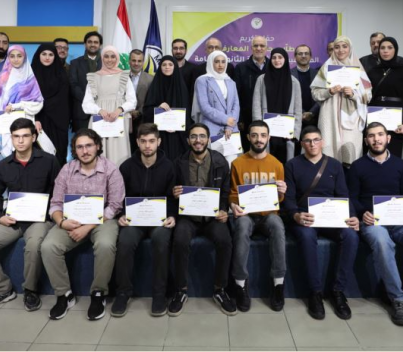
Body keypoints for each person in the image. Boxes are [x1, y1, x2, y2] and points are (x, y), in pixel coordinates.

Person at [348, 122, 403, 327]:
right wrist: (362, 213)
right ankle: (397, 298)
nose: (376, 139)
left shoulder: (399, 164)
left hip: (399, 220)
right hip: (373, 222)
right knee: (381, 241)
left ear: (388, 138)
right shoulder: (357, 166)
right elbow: (352, 198)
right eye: (371, 136)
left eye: (380, 134)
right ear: (366, 140)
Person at [0, 118, 60, 312]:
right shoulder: (4, 165)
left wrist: (51, 214)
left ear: (34, 137)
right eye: (16, 136)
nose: (20, 141)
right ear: (11, 138)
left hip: (40, 219)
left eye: (25, 136)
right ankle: (1, 290)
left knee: (34, 245)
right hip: (13, 219)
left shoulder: (49, 161)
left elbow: (59, 192)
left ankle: (30, 290)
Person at [41, 128, 124, 321]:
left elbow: (115, 205)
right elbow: (55, 203)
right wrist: (62, 222)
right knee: (48, 246)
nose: (85, 151)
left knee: (105, 244)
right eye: (80, 147)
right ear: (75, 150)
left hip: (102, 221)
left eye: (89, 146)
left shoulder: (111, 169)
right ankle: (64, 295)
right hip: (70, 221)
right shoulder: (66, 169)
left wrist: (87, 227)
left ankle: (98, 294)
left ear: (97, 146)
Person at [283, 125, 359, 320]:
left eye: (316, 139)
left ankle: (338, 291)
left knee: (351, 236)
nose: (312, 144)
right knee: (307, 236)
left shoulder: (334, 165)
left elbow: (343, 194)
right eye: (308, 141)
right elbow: (289, 198)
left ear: (322, 142)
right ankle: (315, 292)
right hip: (305, 216)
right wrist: (295, 215)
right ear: (302, 144)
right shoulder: (292, 165)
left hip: (332, 216)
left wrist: (352, 216)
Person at [169, 123, 235, 316]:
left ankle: (220, 289)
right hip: (188, 217)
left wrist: (223, 210)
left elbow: (225, 191)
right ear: (188, 140)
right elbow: (171, 189)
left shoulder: (220, 161)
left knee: (225, 241)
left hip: (212, 217)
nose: (198, 140)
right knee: (180, 240)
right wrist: (174, 193)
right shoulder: (178, 162)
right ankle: (180, 290)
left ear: (208, 139)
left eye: (202, 136)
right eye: (194, 136)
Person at [111, 123, 176, 317]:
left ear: (159, 142)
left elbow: (173, 197)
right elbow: (119, 196)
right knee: (125, 241)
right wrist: (121, 215)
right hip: (134, 220)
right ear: (137, 142)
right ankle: (123, 293)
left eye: (151, 141)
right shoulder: (126, 167)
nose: (148, 145)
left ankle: (159, 294)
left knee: (161, 240)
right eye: (143, 141)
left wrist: (172, 215)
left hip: (159, 221)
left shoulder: (169, 166)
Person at [228, 121, 287, 312]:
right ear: (248, 137)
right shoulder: (238, 163)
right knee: (242, 226)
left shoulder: (277, 164)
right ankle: (240, 284)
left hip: (268, 214)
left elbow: (279, 199)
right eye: (254, 135)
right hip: (246, 213)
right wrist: (233, 205)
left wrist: (282, 192)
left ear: (268, 138)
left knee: (277, 225)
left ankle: (278, 284)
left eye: (262, 135)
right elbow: (232, 193)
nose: (259, 139)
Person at [311, 36, 373, 167]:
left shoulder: (358, 69)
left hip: (352, 118)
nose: (341, 50)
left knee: (350, 155)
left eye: (345, 46)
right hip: (330, 116)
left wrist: (353, 95)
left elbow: (368, 96)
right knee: (329, 154)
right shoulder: (326, 68)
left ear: (350, 49)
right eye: (337, 47)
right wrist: (329, 91)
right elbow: (315, 93)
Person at [0, 45, 44, 166]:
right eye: (12, 56)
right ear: (8, 58)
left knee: (24, 167)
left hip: (23, 130)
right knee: (1, 166)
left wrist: (17, 106)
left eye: (19, 56)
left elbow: (38, 104)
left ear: (24, 57)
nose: (15, 59)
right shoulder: (0, 78)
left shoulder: (30, 79)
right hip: (0, 129)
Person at [82, 45, 136, 166]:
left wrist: (119, 109)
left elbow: (132, 101)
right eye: (106, 56)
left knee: (119, 153)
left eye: (113, 56)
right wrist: (100, 110)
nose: (109, 59)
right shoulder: (93, 77)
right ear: (102, 58)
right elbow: (86, 104)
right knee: (98, 151)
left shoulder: (124, 76)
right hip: (99, 119)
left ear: (117, 58)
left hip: (119, 119)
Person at [366, 37, 403, 157]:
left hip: (397, 121)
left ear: (396, 50)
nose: (385, 51)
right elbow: (367, 97)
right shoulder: (372, 71)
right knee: (375, 154)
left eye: (390, 47)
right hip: (375, 117)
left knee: (393, 156)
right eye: (382, 48)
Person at [252, 48, 302, 163]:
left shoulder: (294, 82)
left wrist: (295, 133)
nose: (277, 60)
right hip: (266, 131)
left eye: (280, 57)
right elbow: (256, 106)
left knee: (286, 164)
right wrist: (258, 129)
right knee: (266, 163)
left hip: (287, 135)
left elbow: (298, 110)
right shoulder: (261, 79)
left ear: (286, 59)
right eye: (274, 57)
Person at [192, 50, 240, 163]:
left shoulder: (231, 82)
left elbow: (236, 105)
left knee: (232, 163)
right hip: (211, 128)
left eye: (223, 62)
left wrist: (230, 126)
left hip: (231, 129)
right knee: (213, 164)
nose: (220, 65)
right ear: (210, 62)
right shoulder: (202, 80)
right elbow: (204, 107)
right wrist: (226, 119)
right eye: (217, 61)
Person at [31, 43, 71, 167]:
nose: (47, 57)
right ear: (38, 55)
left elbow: (64, 100)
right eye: (44, 54)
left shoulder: (61, 74)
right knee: (38, 156)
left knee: (58, 155)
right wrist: (35, 118)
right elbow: (28, 99)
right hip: (37, 121)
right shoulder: (30, 75)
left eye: (51, 54)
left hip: (58, 122)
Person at [143, 55, 189, 161]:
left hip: (177, 135)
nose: (167, 67)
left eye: (170, 64)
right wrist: (158, 108)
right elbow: (146, 111)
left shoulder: (181, 87)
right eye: (164, 65)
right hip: (159, 134)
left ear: (175, 67)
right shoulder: (154, 86)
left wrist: (178, 125)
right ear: (160, 67)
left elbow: (187, 112)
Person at [234, 36, 268, 146]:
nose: (259, 48)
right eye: (256, 46)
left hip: (269, 117)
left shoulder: (272, 67)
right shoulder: (241, 68)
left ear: (266, 48)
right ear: (251, 48)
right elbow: (236, 95)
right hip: (246, 119)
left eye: (262, 46)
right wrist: (239, 118)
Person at [69, 31, 102, 133]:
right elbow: (73, 85)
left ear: (100, 45)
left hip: (103, 111)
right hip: (81, 112)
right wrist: (89, 100)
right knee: (82, 140)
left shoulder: (107, 63)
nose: (92, 44)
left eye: (96, 42)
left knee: (100, 142)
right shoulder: (75, 63)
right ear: (85, 44)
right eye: (90, 42)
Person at [129, 49, 153, 152]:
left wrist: (138, 112)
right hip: (125, 119)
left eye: (139, 61)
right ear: (129, 61)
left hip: (143, 120)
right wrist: (129, 111)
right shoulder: (121, 78)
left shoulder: (150, 79)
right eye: (134, 60)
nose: (136, 63)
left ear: (143, 62)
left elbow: (151, 100)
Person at [292, 44, 319, 129]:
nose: (303, 56)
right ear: (295, 57)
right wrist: (302, 113)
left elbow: (322, 96)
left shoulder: (318, 74)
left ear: (310, 56)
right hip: (295, 118)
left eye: (306, 53)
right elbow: (287, 97)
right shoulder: (288, 75)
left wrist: (312, 112)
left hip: (315, 118)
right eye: (300, 54)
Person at [172, 39, 196, 112]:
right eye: (175, 48)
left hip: (188, 109)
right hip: (168, 110)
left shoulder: (194, 69)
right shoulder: (166, 68)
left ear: (186, 50)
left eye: (181, 48)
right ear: (171, 50)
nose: (178, 51)